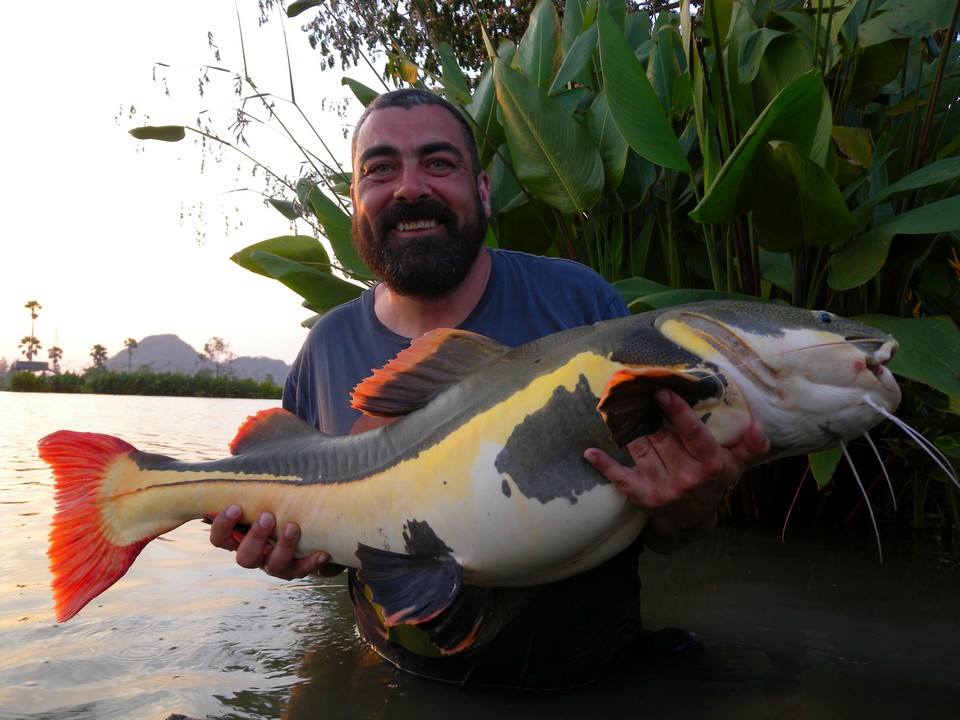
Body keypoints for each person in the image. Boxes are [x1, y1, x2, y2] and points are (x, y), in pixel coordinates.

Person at [209, 88, 769, 688]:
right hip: (404, 675)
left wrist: (694, 503)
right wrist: (286, 552)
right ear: (356, 200)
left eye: (439, 163)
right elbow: (333, 541)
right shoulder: (326, 346)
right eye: (380, 169)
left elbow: (671, 529)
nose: (410, 187)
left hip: (588, 676)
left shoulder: (579, 306)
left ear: (482, 189)